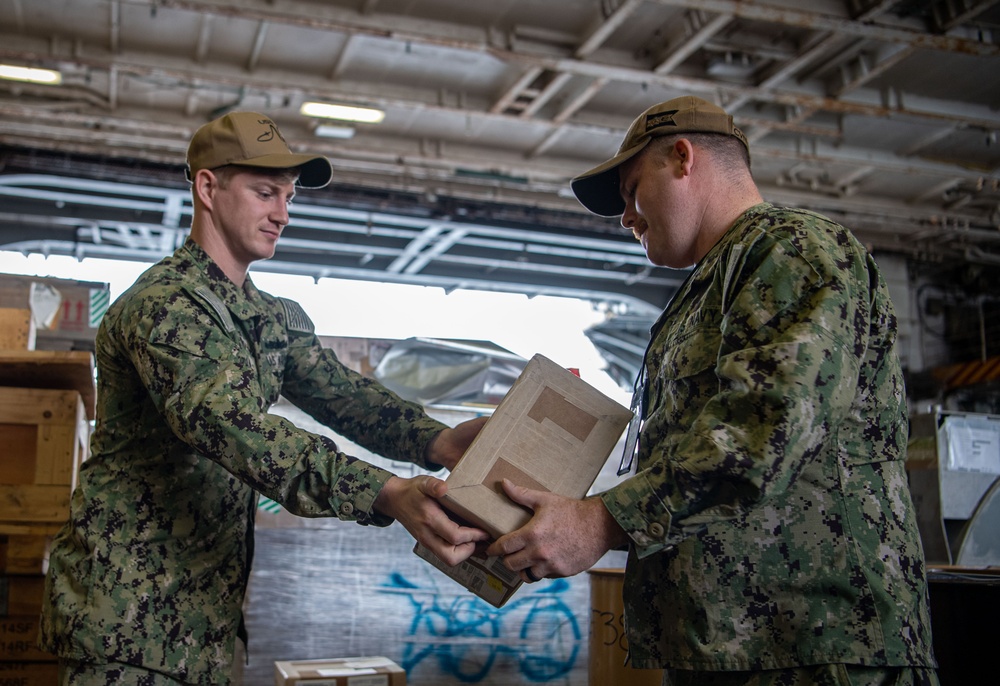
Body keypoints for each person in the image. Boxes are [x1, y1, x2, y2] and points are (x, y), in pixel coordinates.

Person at [487, 96, 939, 685]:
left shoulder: (792, 249)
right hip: (729, 645)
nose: (626, 216)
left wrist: (600, 523)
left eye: (630, 191)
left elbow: (763, 431)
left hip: (817, 642)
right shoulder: (711, 285)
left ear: (681, 158)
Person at [39, 111, 489, 685]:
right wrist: (385, 491)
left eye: (289, 197)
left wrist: (436, 439)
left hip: (206, 625)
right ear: (207, 188)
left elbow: (342, 393)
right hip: (128, 624)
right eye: (264, 192)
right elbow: (242, 432)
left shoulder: (268, 316)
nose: (281, 213)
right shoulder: (166, 306)